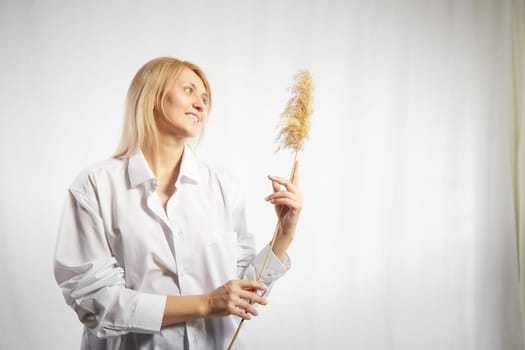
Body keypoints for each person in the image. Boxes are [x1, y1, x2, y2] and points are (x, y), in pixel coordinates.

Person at [53, 57, 303, 350]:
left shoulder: (223, 185)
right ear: (153, 97)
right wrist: (206, 304)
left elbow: (240, 290)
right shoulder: (95, 186)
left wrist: (283, 234)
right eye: (189, 90)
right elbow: (95, 301)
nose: (201, 104)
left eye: (205, 98)